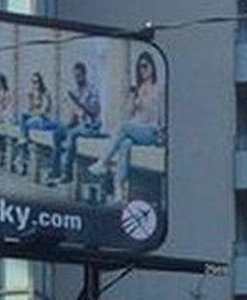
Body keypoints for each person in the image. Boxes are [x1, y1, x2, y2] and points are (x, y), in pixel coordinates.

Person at [88, 50, 164, 199]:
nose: (143, 71)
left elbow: (162, 113)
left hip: (152, 131)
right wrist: (132, 97)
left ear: (152, 67)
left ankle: (104, 161)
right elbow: (129, 114)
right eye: (140, 68)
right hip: (137, 130)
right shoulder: (140, 89)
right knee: (125, 144)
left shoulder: (158, 88)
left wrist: (163, 133)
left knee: (123, 126)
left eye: (145, 66)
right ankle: (119, 188)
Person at [48, 61, 101, 186]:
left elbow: (94, 112)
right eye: (75, 76)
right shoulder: (76, 91)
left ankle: (67, 174)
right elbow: (74, 118)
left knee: (72, 135)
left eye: (79, 76)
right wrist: (67, 124)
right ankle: (55, 171)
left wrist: (78, 102)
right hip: (79, 125)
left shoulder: (92, 90)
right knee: (57, 133)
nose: (77, 79)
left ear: (85, 74)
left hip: (91, 126)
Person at [14, 71, 54, 174]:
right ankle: (23, 148)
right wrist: (30, 100)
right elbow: (30, 109)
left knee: (26, 123)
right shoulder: (33, 94)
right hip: (35, 118)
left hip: (43, 120)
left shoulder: (46, 93)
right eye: (33, 82)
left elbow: (44, 111)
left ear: (41, 82)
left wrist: (33, 113)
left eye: (36, 82)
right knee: (23, 116)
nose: (35, 84)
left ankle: (22, 154)